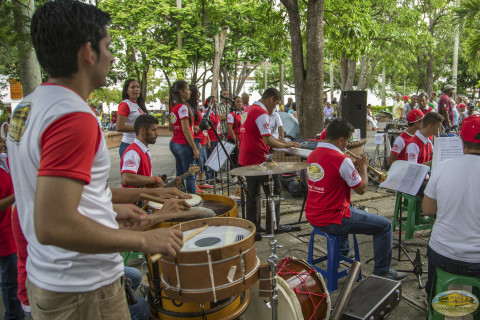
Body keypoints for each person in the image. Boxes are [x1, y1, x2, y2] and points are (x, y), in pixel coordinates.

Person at [7, 2, 184, 319]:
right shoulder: (73, 116)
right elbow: (53, 225)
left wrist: (109, 211)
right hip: (83, 291)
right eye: (108, 46)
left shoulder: (27, 109)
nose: (113, 56)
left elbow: (47, 199)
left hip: (50, 280)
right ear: (88, 52)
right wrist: (144, 238)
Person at [305, 118, 407, 280]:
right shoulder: (341, 159)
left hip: (313, 214)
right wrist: (364, 168)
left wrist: (352, 168)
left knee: (351, 207)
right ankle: (382, 271)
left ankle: (343, 251)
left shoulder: (313, 155)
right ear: (340, 140)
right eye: (347, 141)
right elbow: (361, 189)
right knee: (385, 226)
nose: (348, 145)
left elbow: (329, 180)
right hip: (333, 218)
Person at [422, 115, 480, 303]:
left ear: (462, 142)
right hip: (477, 260)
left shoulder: (443, 168)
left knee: (433, 289)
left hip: (442, 253)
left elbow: (427, 209)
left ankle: (431, 298)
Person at [239, 88, 300, 233]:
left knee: (253, 194)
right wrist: (287, 144)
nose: (276, 108)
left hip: (247, 157)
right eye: (276, 104)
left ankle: (253, 227)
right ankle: (273, 226)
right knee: (275, 190)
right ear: (271, 99)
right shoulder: (261, 113)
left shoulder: (249, 109)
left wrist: (284, 143)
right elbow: (267, 140)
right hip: (258, 159)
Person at [0, 135, 24, 320]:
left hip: (12, 229)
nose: (3, 144)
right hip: (3, 234)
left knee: (15, 277)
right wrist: (18, 195)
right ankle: (13, 316)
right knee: (10, 281)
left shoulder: (6, 160)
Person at [169, 80, 199, 194]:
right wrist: (194, 148)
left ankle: (179, 197)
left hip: (175, 143)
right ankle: (193, 200)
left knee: (180, 176)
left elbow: (171, 128)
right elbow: (186, 130)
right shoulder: (182, 107)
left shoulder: (173, 106)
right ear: (181, 92)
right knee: (190, 176)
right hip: (183, 144)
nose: (190, 92)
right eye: (187, 90)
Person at [120, 114, 166, 188]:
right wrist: (155, 179)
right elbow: (126, 178)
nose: (157, 134)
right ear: (143, 130)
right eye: (154, 130)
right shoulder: (133, 152)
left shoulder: (143, 150)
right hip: (136, 199)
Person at [116, 79, 148, 157]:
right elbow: (119, 127)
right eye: (133, 87)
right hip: (129, 145)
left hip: (140, 144)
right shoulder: (125, 104)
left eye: (137, 87)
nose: (136, 89)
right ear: (127, 90)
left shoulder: (138, 104)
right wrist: (140, 128)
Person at [188, 85, 211, 191]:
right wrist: (195, 128)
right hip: (195, 139)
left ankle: (196, 185)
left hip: (199, 138)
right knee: (194, 165)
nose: (199, 94)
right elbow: (187, 126)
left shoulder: (195, 106)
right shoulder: (189, 108)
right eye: (197, 92)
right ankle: (194, 187)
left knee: (199, 163)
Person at [227, 96, 243, 172]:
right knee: (234, 158)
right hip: (233, 139)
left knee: (241, 158)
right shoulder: (231, 115)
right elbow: (230, 129)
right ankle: (234, 175)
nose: (240, 103)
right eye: (237, 102)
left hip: (242, 139)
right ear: (234, 104)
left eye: (241, 101)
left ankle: (241, 174)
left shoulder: (243, 114)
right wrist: (236, 141)